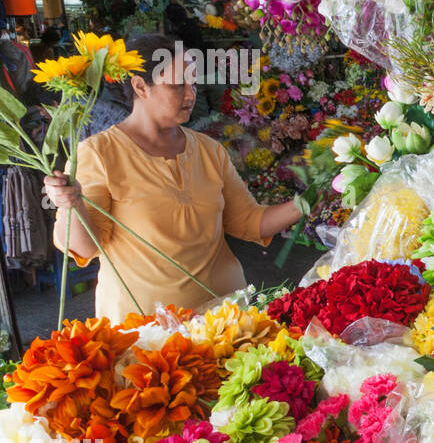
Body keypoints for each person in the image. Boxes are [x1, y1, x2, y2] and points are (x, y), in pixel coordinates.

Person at [42, 33, 307, 322]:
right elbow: (84, 247)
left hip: (225, 320)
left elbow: (249, 222)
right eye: (178, 85)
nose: (191, 94)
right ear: (141, 87)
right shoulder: (99, 154)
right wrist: (70, 204)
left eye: (193, 82)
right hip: (147, 332)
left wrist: (304, 204)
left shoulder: (208, 151)